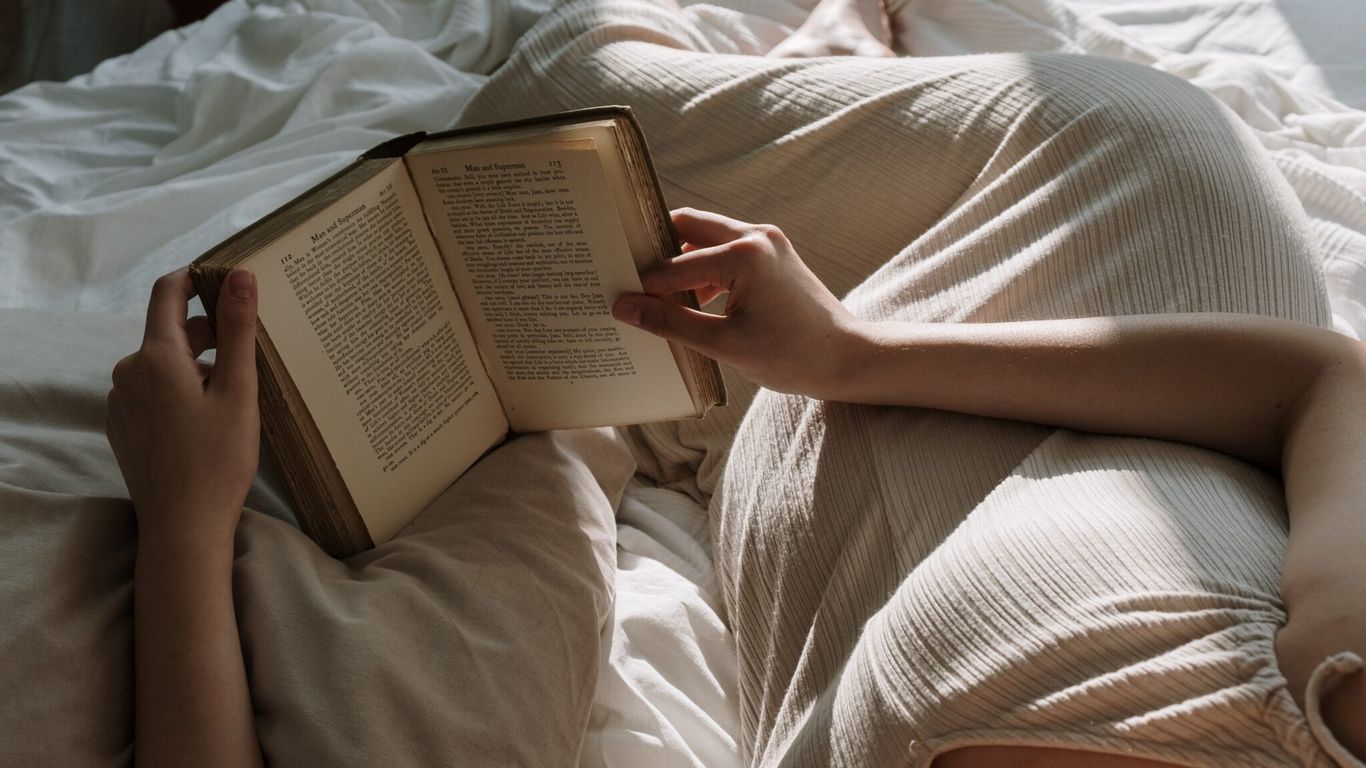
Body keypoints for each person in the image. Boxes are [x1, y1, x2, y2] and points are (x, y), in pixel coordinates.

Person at [105, 0, 1365, 766]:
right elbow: (1324, 383)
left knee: (547, 282)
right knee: (549, 113)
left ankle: (833, 58)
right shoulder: (1341, 713)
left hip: (835, 460)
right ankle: (830, 41)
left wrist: (185, 522)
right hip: (1105, 225)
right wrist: (849, 355)